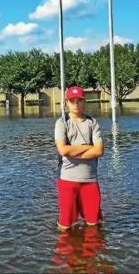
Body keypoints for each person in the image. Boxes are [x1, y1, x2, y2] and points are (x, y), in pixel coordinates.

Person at [54, 86, 104, 230]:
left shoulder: (92, 122)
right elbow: (63, 150)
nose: (76, 104)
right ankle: (67, 249)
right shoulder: (62, 123)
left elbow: (99, 150)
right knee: (65, 225)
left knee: (94, 223)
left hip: (90, 180)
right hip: (67, 179)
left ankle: (91, 251)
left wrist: (74, 151)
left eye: (79, 100)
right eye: (72, 101)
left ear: (84, 102)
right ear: (66, 103)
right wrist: (88, 146)